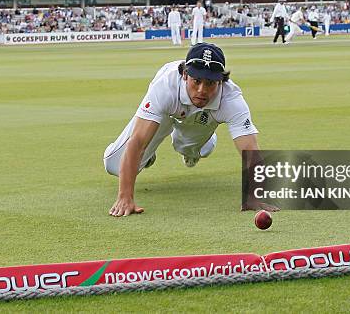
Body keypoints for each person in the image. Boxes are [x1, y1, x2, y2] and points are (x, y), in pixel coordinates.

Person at [104, 42, 263, 217]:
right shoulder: (164, 87)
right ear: (185, 75)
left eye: (210, 83)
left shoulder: (231, 99)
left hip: (205, 116)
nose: (202, 90)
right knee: (113, 165)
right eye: (197, 81)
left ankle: (203, 142)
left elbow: (250, 150)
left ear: (221, 81)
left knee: (186, 148)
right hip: (167, 109)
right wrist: (125, 197)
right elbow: (137, 141)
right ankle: (149, 156)